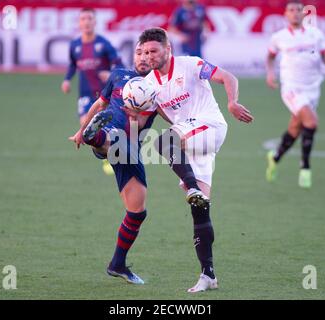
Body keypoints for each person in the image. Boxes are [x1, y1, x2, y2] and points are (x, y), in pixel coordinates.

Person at [136, 27, 254, 293]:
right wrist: (128, 118)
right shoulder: (149, 85)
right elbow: (156, 117)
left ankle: (191, 187)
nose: (149, 56)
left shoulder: (190, 64)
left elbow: (227, 76)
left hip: (210, 126)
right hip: (191, 139)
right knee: (200, 210)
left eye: (154, 50)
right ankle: (208, 275)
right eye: (144, 52)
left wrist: (233, 102)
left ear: (168, 50)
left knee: (163, 142)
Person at [68, 43, 156, 285]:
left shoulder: (159, 87)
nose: (143, 58)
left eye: (148, 54)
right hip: (113, 133)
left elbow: (169, 116)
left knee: (137, 212)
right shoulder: (119, 76)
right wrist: (81, 130)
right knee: (113, 138)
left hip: (132, 148)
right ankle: (94, 137)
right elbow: (99, 104)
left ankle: (117, 264)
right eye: (139, 53)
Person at [265, 0, 325, 188]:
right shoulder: (279, 37)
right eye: (291, 10)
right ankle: (305, 167)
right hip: (292, 88)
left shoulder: (316, 34)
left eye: (298, 10)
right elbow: (270, 56)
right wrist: (270, 74)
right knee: (311, 122)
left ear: (304, 14)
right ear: (285, 15)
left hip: (313, 87)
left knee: (296, 127)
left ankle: (275, 157)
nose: (295, 13)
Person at [62, 7, 123, 175]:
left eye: (89, 18)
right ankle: (105, 156)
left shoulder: (103, 44)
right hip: (85, 93)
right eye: (83, 19)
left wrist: (110, 75)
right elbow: (73, 64)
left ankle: (110, 151)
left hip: (104, 93)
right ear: (79, 23)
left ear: (95, 22)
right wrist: (67, 79)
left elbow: (118, 62)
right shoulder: (75, 45)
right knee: (86, 124)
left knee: (106, 124)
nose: (86, 22)